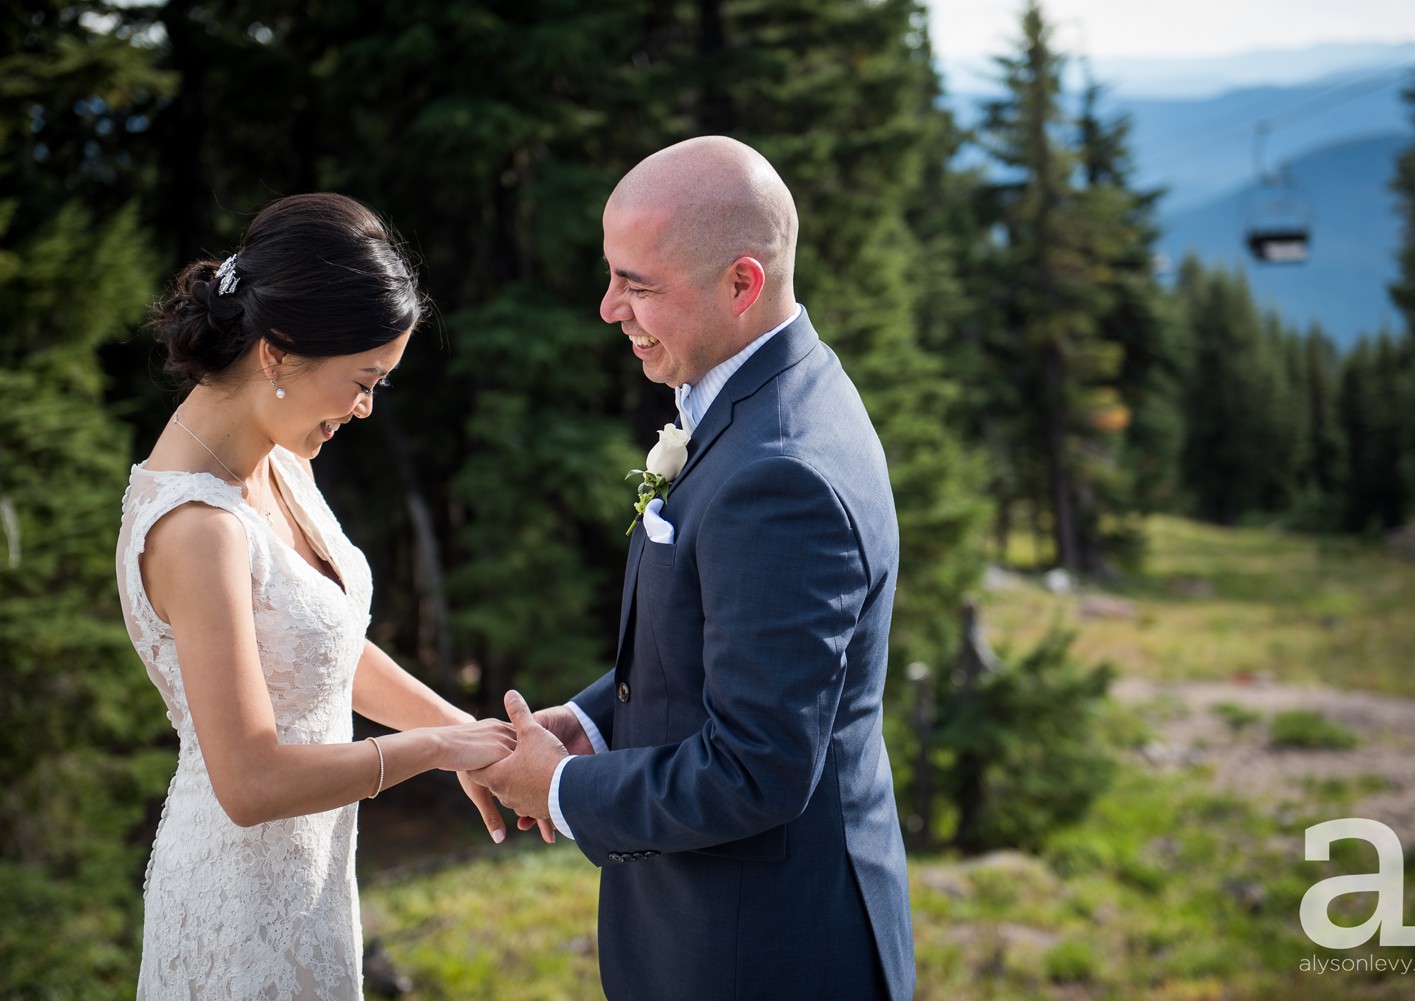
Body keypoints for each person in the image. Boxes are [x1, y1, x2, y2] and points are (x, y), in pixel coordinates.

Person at [472, 136, 917, 1001]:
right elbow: (728, 636)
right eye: (611, 276)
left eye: (637, 285)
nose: (609, 309)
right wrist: (592, 724)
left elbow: (758, 763)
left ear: (741, 284)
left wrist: (563, 788)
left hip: (762, 953)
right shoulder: (764, 391)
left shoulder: (780, 471)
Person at [115, 192, 514, 1000]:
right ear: (278, 353)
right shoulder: (197, 528)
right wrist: (434, 754)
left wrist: (472, 733)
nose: (365, 407)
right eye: (363, 379)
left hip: (315, 881)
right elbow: (251, 782)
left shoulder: (281, 456)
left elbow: (325, 647)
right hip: (235, 912)